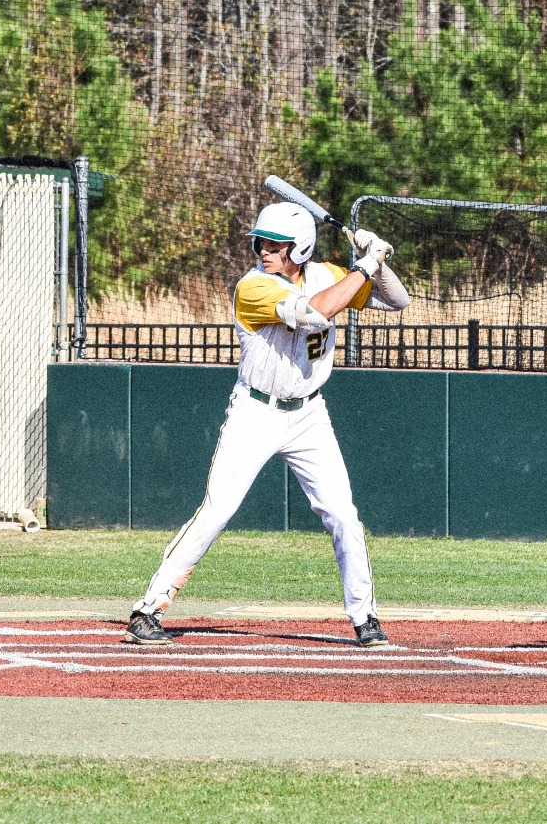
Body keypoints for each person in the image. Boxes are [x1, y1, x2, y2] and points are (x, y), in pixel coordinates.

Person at [124, 201, 411, 648]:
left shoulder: (329, 275)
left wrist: (376, 258)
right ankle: (149, 608)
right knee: (217, 508)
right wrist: (364, 265)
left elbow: (397, 300)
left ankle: (365, 618)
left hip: (309, 414)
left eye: (276, 246)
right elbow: (315, 313)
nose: (264, 250)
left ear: (301, 249)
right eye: (262, 242)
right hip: (256, 410)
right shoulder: (253, 286)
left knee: (342, 515)